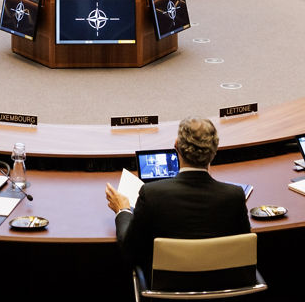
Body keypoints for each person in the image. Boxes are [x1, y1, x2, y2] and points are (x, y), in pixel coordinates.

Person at [104, 116, 250, 275]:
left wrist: (123, 210)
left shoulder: (152, 194)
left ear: (176, 146)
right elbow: (243, 248)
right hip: (223, 290)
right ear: (214, 151)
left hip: (168, 293)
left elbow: (129, 250)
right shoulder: (234, 196)